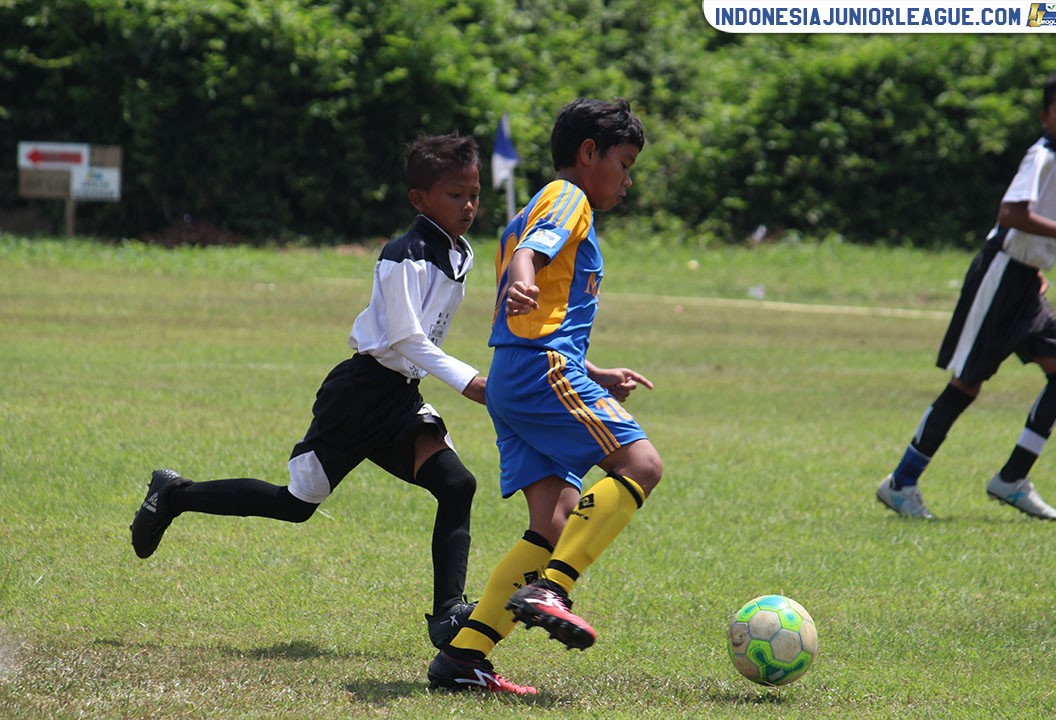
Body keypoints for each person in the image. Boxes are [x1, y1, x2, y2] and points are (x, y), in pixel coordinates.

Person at [129, 133, 487, 649]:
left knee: (456, 485)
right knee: (296, 505)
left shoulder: (458, 252)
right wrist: (469, 381)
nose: (469, 206)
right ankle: (173, 494)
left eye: (473, 194)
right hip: (360, 395)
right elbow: (406, 338)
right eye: (455, 195)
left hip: (400, 397)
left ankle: (448, 614)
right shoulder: (404, 255)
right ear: (419, 199)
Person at [427, 98, 663, 695]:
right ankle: (552, 589)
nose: (627, 180)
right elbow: (530, 253)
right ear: (588, 153)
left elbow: (540, 308)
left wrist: (595, 373)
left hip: (516, 374)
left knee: (554, 522)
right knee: (641, 465)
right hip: (539, 371)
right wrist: (524, 277)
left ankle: (463, 657)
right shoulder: (568, 196)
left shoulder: (544, 203)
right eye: (624, 163)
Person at [877, 70, 1056, 521]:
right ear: (1044, 117)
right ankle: (901, 483)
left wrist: (1038, 265)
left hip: (1027, 282)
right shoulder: (1042, 156)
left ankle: (1011, 479)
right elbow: (1010, 214)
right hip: (1001, 276)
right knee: (966, 384)